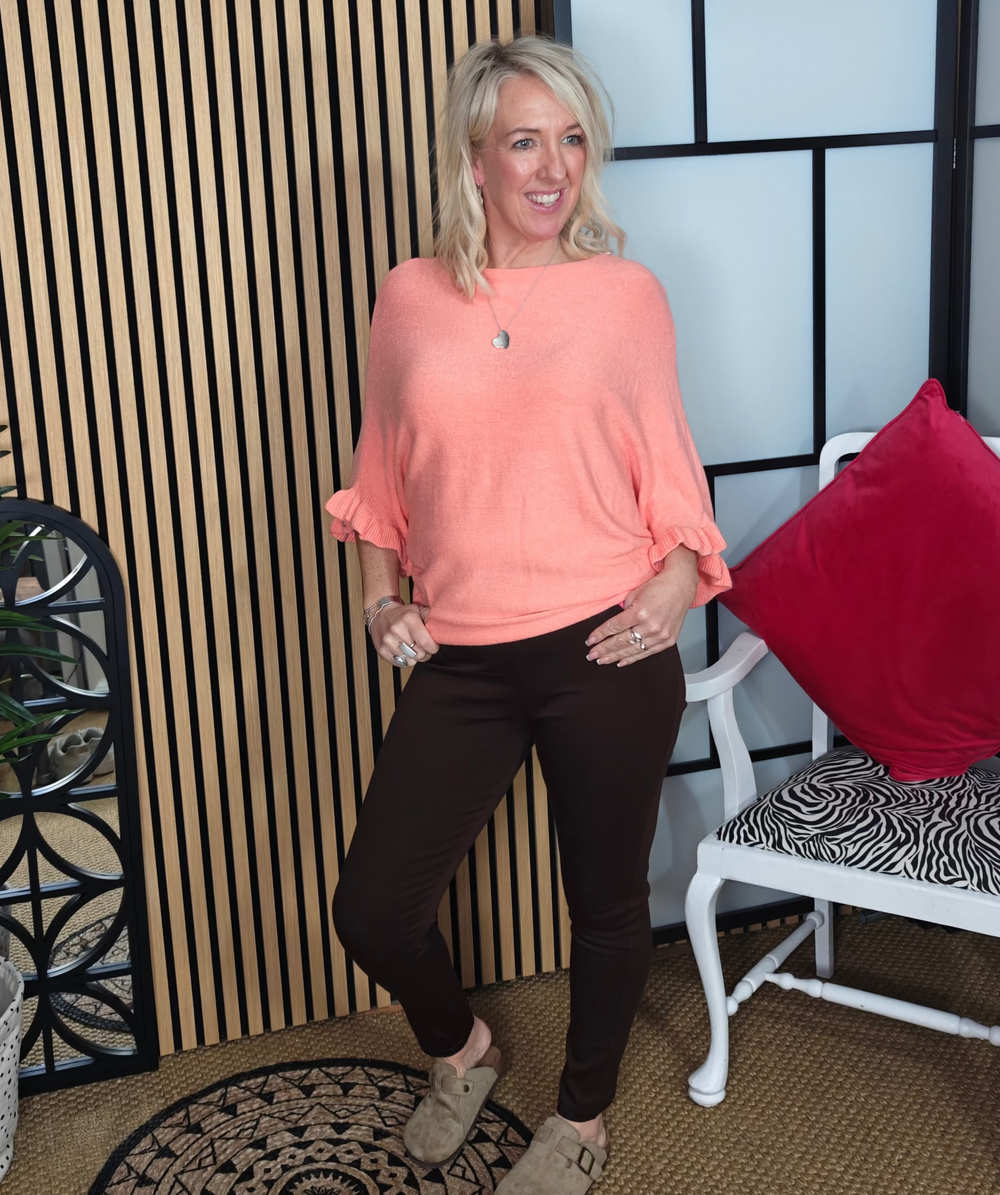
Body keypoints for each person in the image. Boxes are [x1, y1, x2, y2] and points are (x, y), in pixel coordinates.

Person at [327, 35, 730, 1195]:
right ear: (475, 157)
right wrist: (378, 599)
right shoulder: (408, 298)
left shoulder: (626, 295)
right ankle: (464, 1050)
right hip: (463, 657)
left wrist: (674, 582)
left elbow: (671, 469)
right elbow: (380, 474)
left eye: (571, 139)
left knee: (604, 900)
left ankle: (582, 1119)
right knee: (374, 908)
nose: (553, 167)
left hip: (606, 644)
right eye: (523, 141)